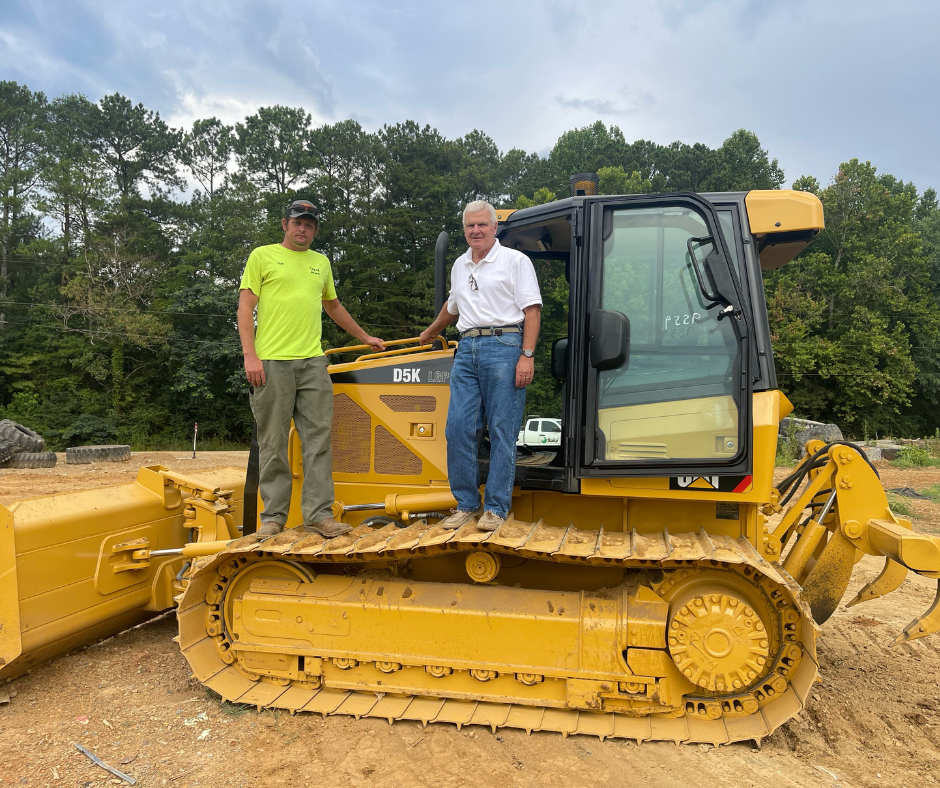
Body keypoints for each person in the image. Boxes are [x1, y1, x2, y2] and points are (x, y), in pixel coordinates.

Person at [238, 200, 385, 539]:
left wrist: (364, 337)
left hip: (313, 363)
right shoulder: (262, 256)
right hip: (271, 362)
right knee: (272, 443)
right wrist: (250, 355)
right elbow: (245, 306)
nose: (303, 229)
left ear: (315, 230)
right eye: (297, 222)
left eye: (309, 224)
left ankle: (319, 515)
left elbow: (332, 305)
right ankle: (273, 518)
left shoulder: (321, 263)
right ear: (285, 224)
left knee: (318, 441)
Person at [419, 200, 542, 531]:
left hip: (504, 345)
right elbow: (453, 306)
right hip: (467, 347)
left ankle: (496, 509)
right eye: (470, 226)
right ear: (464, 230)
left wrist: (526, 356)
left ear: (494, 227)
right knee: (458, 427)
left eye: (482, 225)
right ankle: (466, 503)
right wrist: (432, 331)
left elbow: (532, 311)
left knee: (502, 429)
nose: (476, 230)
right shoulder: (460, 265)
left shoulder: (515, 261)